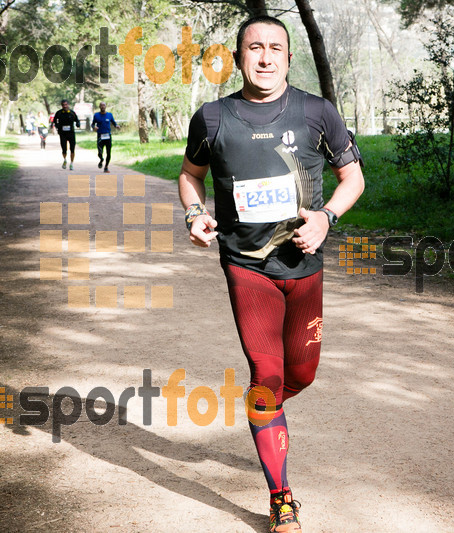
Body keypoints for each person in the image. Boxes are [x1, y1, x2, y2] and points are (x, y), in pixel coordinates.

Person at [178, 15, 364, 533]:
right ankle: (281, 497)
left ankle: (267, 409)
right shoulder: (213, 118)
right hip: (246, 267)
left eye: (275, 48)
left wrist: (326, 219)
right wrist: (195, 215)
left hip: (304, 265)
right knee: (267, 378)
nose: (265, 57)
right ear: (238, 57)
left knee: (300, 374)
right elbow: (190, 176)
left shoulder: (315, 112)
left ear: (288, 56)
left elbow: (353, 178)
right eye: (254, 48)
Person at [91, 102, 120, 173]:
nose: (102, 107)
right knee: (100, 152)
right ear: (99, 107)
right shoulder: (96, 115)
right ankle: (101, 159)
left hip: (108, 136)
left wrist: (116, 125)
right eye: (101, 105)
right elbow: (92, 124)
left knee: (108, 152)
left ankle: (106, 167)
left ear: (106, 106)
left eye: (104, 105)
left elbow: (113, 122)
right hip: (100, 136)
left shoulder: (109, 115)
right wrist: (94, 127)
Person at [52, 99, 80, 170]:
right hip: (62, 133)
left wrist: (77, 124)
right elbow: (55, 121)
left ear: (68, 105)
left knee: (72, 149)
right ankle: (64, 160)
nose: (65, 106)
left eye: (66, 105)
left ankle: (71, 163)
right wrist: (57, 126)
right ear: (61, 105)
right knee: (64, 149)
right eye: (63, 105)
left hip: (71, 133)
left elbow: (77, 120)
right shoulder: (59, 113)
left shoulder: (72, 113)